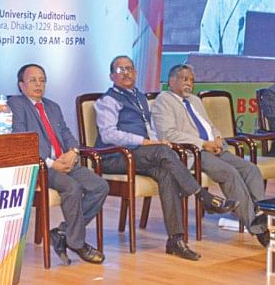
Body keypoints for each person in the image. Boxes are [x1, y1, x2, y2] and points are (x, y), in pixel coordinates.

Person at [94, 55, 236, 261]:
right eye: (120, 70)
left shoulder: (139, 97)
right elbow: (108, 135)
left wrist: (157, 141)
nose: (126, 73)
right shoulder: (107, 100)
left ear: (135, 73)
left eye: (129, 68)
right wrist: (145, 142)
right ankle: (203, 197)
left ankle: (175, 240)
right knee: (162, 152)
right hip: (114, 156)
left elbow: (148, 127)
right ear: (111, 76)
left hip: (138, 155)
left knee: (166, 173)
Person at [152, 64, 268, 246]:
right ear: (171, 81)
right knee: (229, 172)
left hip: (212, 148)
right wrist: (203, 144)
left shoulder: (194, 100)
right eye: (184, 79)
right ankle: (257, 228)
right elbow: (169, 134)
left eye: (192, 80)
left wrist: (218, 139)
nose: (189, 84)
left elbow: (209, 125)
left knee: (251, 169)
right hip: (192, 152)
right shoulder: (163, 101)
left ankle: (261, 215)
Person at [8, 64, 108, 265]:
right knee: (72, 187)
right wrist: (51, 163)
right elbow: (22, 138)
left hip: (65, 162)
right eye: (33, 80)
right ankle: (77, 243)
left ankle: (63, 232)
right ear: (21, 85)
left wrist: (73, 151)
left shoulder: (52, 106)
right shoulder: (16, 104)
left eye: (42, 80)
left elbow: (66, 133)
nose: (39, 84)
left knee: (100, 186)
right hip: (41, 166)